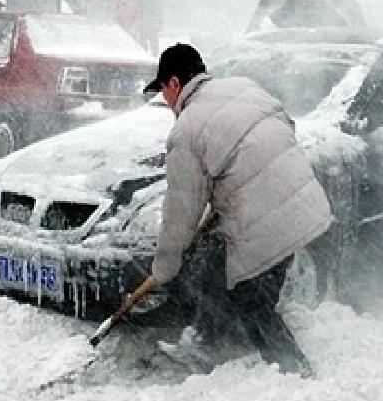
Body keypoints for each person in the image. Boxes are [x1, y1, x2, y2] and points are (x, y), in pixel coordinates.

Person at [143, 43, 333, 377]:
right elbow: (283, 127)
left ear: (174, 84)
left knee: (250, 300)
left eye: (162, 91)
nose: (166, 101)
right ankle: (207, 340)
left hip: (266, 224)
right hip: (303, 204)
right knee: (213, 264)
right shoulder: (246, 87)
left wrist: (163, 270)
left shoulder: (186, 130)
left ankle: (298, 375)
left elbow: (181, 214)